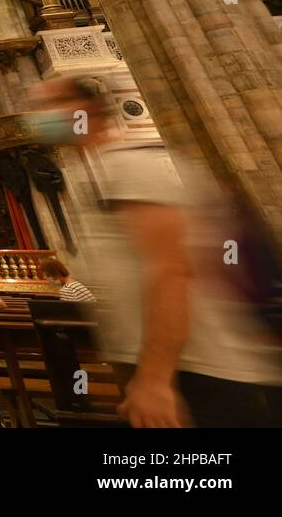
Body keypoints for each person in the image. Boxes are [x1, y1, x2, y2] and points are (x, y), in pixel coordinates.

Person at [31, 77, 282, 427]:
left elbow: (171, 271)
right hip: (171, 374)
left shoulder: (131, 167)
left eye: (49, 105)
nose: (39, 117)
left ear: (84, 110)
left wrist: (153, 380)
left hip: (205, 373)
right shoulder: (92, 176)